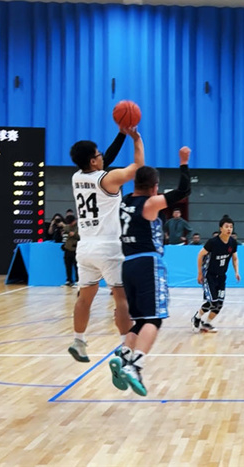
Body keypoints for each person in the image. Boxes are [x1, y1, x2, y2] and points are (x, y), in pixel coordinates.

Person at [108, 146, 192, 396]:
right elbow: (184, 191)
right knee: (154, 319)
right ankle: (135, 365)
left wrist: (136, 141)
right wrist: (184, 162)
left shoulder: (125, 201)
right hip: (148, 263)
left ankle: (124, 354)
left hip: (128, 264)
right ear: (155, 187)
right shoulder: (151, 203)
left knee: (142, 320)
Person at [66, 128, 141, 363]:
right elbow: (138, 167)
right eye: (98, 154)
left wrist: (121, 134)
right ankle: (125, 349)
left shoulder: (77, 177)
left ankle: (78, 341)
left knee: (84, 297)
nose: (102, 157)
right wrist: (136, 139)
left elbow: (104, 159)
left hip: (85, 248)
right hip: (109, 248)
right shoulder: (108, 179)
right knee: (121, 298)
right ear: (92, 160)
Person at [191, 215, 241, 333]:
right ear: (221, 228)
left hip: (221, 276)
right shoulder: (213, 242)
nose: (229, 229)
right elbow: (200, 255)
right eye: (226, 226)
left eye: (231, 227)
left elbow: (234, 258)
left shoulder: (233, 242)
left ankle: (206, 323)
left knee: (219, 304)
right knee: (212, 302)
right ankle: (197, 317)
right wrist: (200, 273)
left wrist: (237, 272)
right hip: (209, 275)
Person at [62, 215, 79, 286]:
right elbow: (64, 236)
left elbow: (81, 237)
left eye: (71, 223)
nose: (70, 224)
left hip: (76, 249)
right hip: (67, 249)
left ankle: (78, 280)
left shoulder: (79, 227)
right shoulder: (67, 227)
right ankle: (69, 279)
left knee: (77, 266)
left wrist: (74, 234)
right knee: (68, 265)